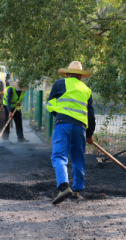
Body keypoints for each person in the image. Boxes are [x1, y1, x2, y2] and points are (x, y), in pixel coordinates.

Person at [47, 61, 95, 204]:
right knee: (78, 157)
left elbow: (50, 104)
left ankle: (63, 187)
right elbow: (91, 115)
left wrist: (61, 114)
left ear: (67, 74)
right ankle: (77, 190)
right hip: (80, 127)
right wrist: (90, 134)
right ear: (80, 76)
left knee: (59, 156)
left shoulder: (60, 83)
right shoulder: (86, 90)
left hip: (63, 125)